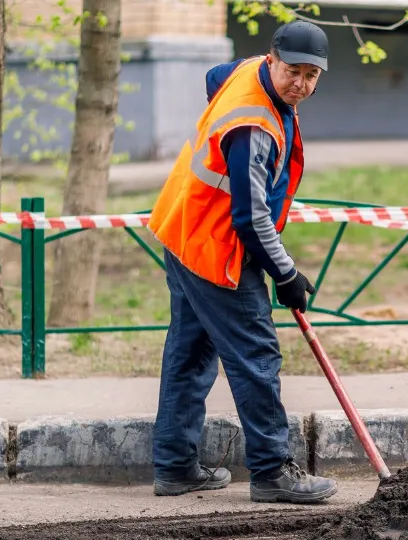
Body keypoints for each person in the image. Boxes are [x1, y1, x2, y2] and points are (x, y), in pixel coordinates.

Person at [145, 20, 338, 504]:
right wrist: (287, 274)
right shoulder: (252, 125)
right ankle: (273, 472)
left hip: (183, 229)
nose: (301, 84)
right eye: (292, 71)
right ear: (271, 59)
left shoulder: (247, 73)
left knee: (189, 353)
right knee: (257, 356)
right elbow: (250, 219)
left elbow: (214, 74)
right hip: (214, 247)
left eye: (312, 76)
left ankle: (174, 467)